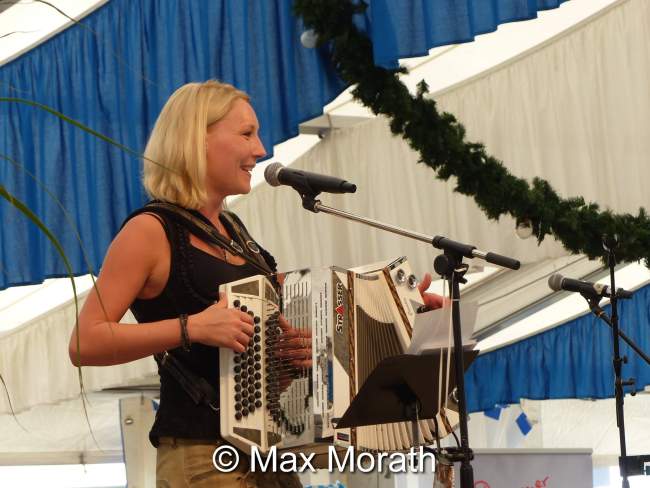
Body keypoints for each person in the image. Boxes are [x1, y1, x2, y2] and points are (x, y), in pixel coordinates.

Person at [68, 80, 443, 488]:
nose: (261, 150)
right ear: (197, 139)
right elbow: (85, 343)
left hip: (266, 449)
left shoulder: (235, 232)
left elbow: (314, 301)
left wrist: (402, 305)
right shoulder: (149, 231)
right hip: (201, 454)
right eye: (246, 134)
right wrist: (192, 327)